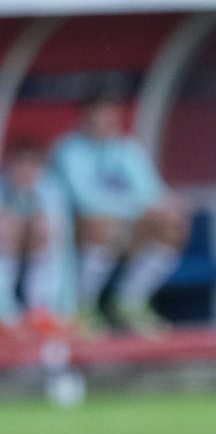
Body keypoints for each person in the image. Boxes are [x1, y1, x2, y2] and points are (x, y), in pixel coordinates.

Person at [49, 91, 188, 336]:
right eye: (98, 118)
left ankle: (129, 301)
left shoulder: (126, 148)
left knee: (171, 222)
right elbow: (85, 201)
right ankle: (82, 306)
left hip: (123, 228)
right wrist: (136, 207)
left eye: (109, 117)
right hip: (69, 233)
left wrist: (163, 205)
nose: (105, 124)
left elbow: (151, 191)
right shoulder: (68, 151)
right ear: (84, 118)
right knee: (102, 223)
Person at [0, 141, 65, 336]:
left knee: (44, 229)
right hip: (9, 277)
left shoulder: (51, 195)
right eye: (20, 165)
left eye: (32, 166)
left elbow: (60, 250)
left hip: (40, 291)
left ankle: (38, 307)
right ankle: (6, 306)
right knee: (5, 229)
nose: (25, 172)